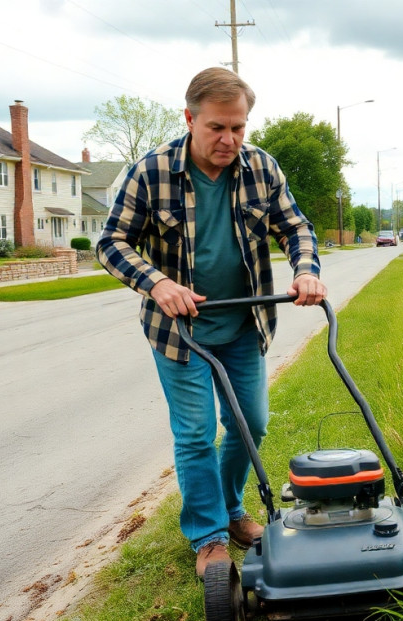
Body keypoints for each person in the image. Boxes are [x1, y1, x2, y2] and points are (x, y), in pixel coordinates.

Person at [97, 67, 327, 579]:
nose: (229, 140)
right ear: (190, 119)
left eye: (238, 128)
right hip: (180, 333)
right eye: (217, 128)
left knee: (251, 424)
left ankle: (230, 510)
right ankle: (208, 536)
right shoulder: (151, 172)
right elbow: (110, 242)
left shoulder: (262, 169)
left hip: (244, 324)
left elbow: (296, 227)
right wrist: (157, 283)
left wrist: (306, 270)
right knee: (196, 434)